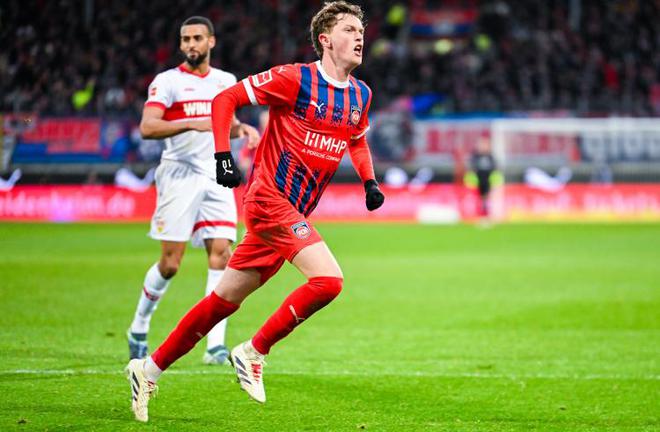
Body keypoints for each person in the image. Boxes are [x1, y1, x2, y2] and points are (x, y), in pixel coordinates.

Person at [125, 1, 384, 422]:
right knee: (329, 280)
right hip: (269, 200)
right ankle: (253, 351)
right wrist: (223, 155)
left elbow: (356, 138)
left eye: (361, 30)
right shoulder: (293, 79)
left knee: (222, 301)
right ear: (325, 40)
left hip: (294, 209)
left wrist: (369, 181)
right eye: (350, 29)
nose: (360, 37)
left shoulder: (360, 94)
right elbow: (226, 98)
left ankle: (148, 369)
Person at [126, 16, 260, 368]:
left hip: (216, 173)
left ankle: (215, 345)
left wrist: (243, 129)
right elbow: (147, 127)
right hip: (179, 174)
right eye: (185, 39)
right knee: (171, 264)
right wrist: (192, 123)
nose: (190, 44)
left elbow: (228, 126)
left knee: (222, 255)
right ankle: (139, 326)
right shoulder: (167, 81)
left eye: (197, 38)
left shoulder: (226, 81)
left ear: (211, 41)